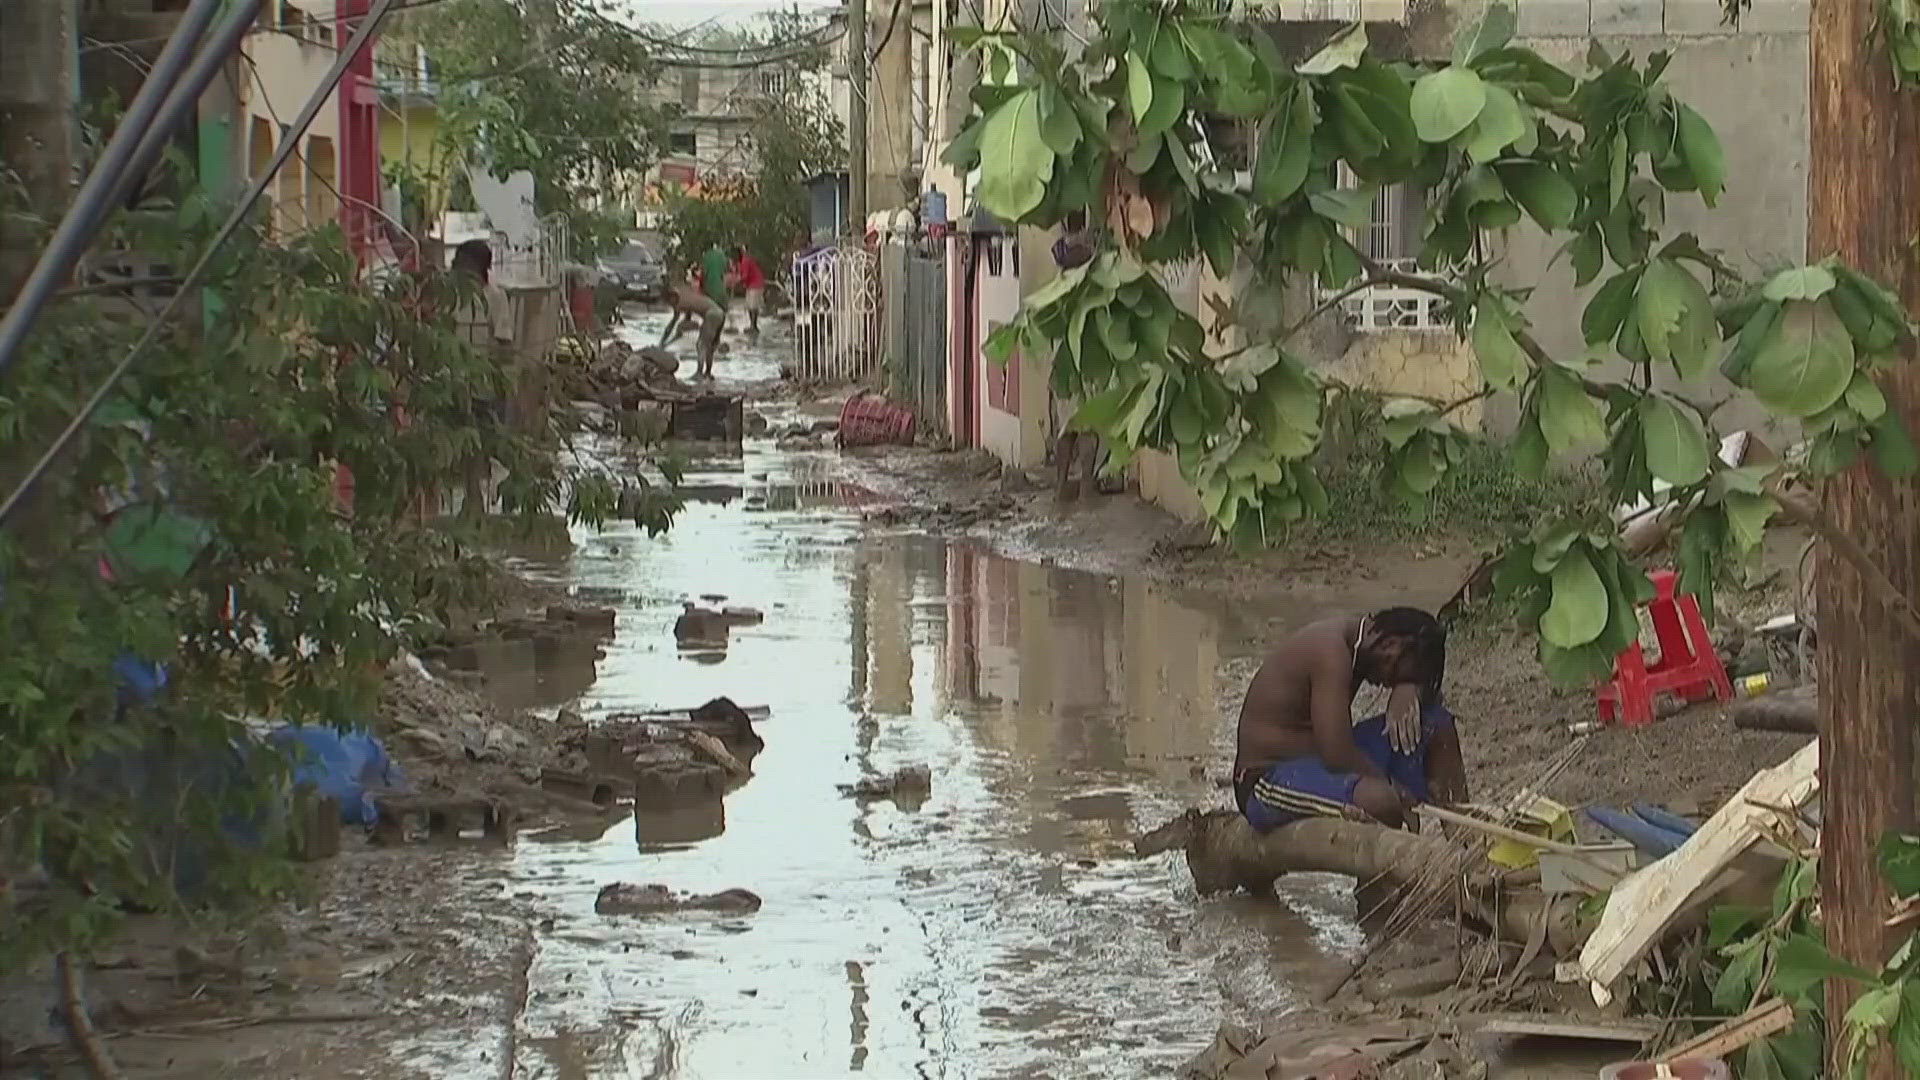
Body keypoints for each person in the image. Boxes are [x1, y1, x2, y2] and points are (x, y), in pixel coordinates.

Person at [1232, 607, 1467, 832]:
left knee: (1437, 726)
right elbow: (1337, 755)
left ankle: (1465, 847)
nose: (1386, 684)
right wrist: (1390, 785)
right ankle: (1382, 872)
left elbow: (1431, 690)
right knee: (1382, 802)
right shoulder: (1331, 653)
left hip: (1321, 759)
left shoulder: (1365, 640)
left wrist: (1408, 689)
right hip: (1267, 780)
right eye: (1394, 675)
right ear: (1390, 646)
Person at [451, 239, 515, 517]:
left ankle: (476, 496)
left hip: (483, 383)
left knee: (481, 441)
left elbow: (504, 344)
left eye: (459, 263)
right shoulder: (449, 296)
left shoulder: (495, 297)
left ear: (476, 268)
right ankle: (470, 495)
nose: (453, 268)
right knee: (457, 440)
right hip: (451, 380)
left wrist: (497, 380)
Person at [661, 271, 723, 380]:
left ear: (672, 298)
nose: (670, 305)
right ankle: (707, 373)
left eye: (669, 302)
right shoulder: (686, 296)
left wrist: (662, 342)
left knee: (701, 345)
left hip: (711, 314)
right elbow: (688, 321)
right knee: (710, 347)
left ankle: (699, 373)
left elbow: (673, 324)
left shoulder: (679, 303)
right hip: (720, 313)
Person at [731, 245, 766, 335]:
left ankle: (754, 326)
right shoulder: (743, 261)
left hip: (756, 284)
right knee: (750, 306)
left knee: (753, 306)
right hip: (752, 284)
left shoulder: (745, 261)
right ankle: (752, 325)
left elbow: (745, 276)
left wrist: (737, 281)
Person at [698, 243, 731, 326]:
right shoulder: (721, 255)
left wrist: (701, 286)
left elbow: (704, 273)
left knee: (710, 310)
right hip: (721, 286)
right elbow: (726, 269)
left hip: (710, 286)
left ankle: (710, 330)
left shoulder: (706, 256)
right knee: (722, 310)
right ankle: (718, 333)